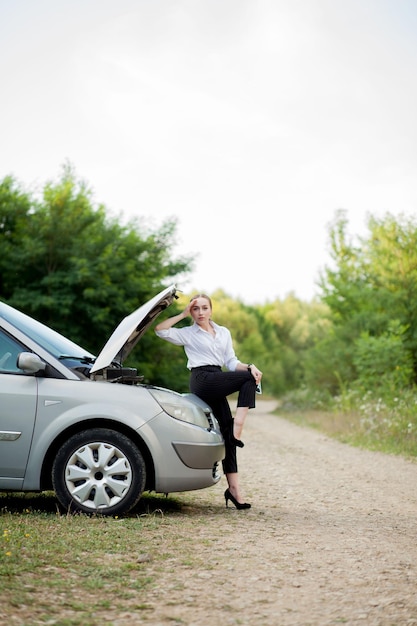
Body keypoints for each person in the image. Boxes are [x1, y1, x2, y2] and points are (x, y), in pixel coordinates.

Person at [155, 294, 263, 510]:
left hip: (217, 376)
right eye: (196, 309)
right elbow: (160, 330)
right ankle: (238, 426)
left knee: (228, 434)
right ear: (192, 312)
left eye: (205, 308)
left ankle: (234, 490)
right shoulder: (188, 333)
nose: (201, 312)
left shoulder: (223, 332)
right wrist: (182, 314)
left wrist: (249, 366)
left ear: (211, 310)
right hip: (202, 379)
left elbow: (231, 362)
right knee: (248, 378)